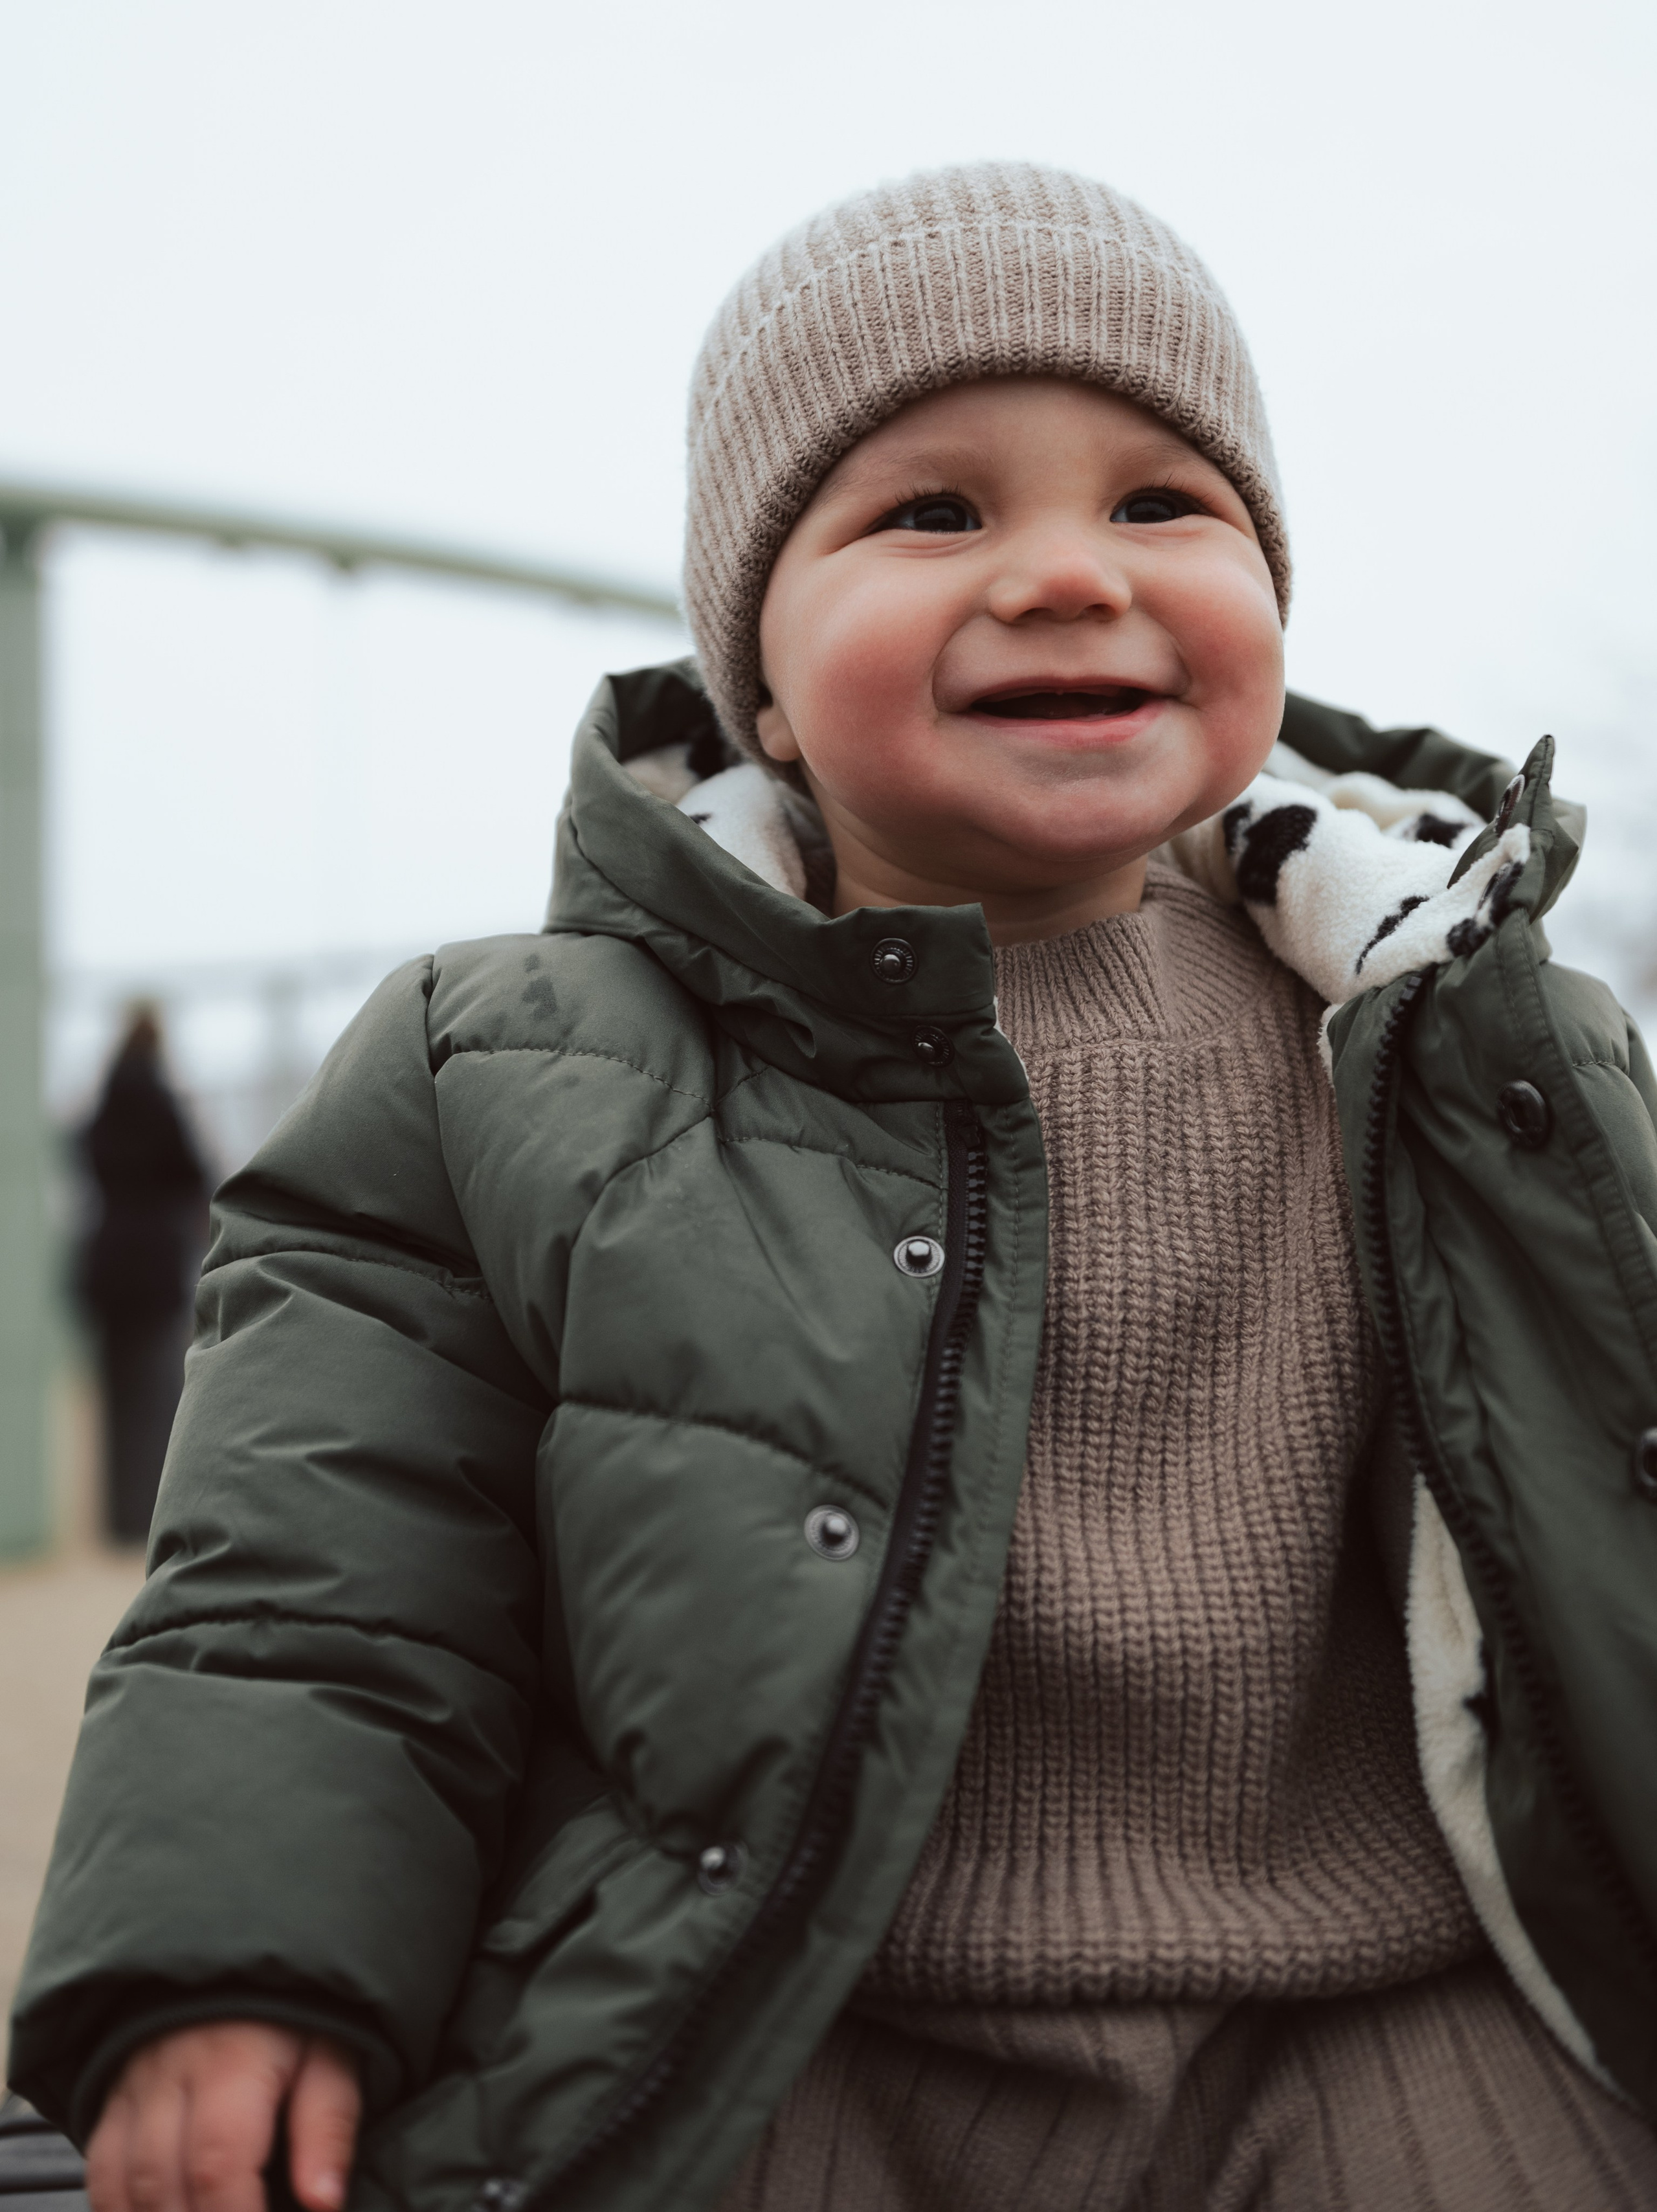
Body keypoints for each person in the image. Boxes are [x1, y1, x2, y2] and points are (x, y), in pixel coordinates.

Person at [11, 164, 1657, 2210]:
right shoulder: (506, 1064)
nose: (1067, 572)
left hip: (1383, 1992)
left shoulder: (1458, 1035)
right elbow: (323, 1586)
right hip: (775, 1995)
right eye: (931, 511)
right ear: (759, 679)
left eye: (1162, 502)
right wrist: (233, 1965)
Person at [74, 1003, 210, 1546]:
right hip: (152, 1267)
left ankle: (118, 1518)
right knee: (156, 1394)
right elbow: (195, 1173)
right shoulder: (161, 1101)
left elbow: (83, 1159)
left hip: (107, 1265)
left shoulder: (103, 1103)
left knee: (115, 1396)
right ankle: (150, 1517)